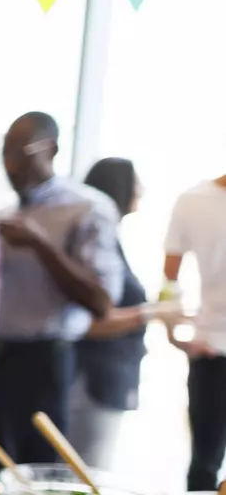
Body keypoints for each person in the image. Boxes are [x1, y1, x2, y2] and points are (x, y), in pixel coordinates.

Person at [0, 111, 121, 487]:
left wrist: (41, 246)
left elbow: (101, 301)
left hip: (44, 362)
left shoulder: (87, 208)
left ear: (51, 149)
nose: (11, 165)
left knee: (37, 482)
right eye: (5, 154)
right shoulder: (6, 213)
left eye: (21, 153)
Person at [70, 159, 179, 470]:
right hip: (92, 379)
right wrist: (151, 313)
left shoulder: (111, 241)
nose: (142, 190)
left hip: (107, 379)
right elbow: (86, 323)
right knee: (83, 477)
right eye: (136, 182)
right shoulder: (95, 243)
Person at [163, 170, 226, 491]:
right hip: (213, 350)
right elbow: (169, 279)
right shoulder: (194, 200)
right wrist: (174, 332)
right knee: (205, 464)